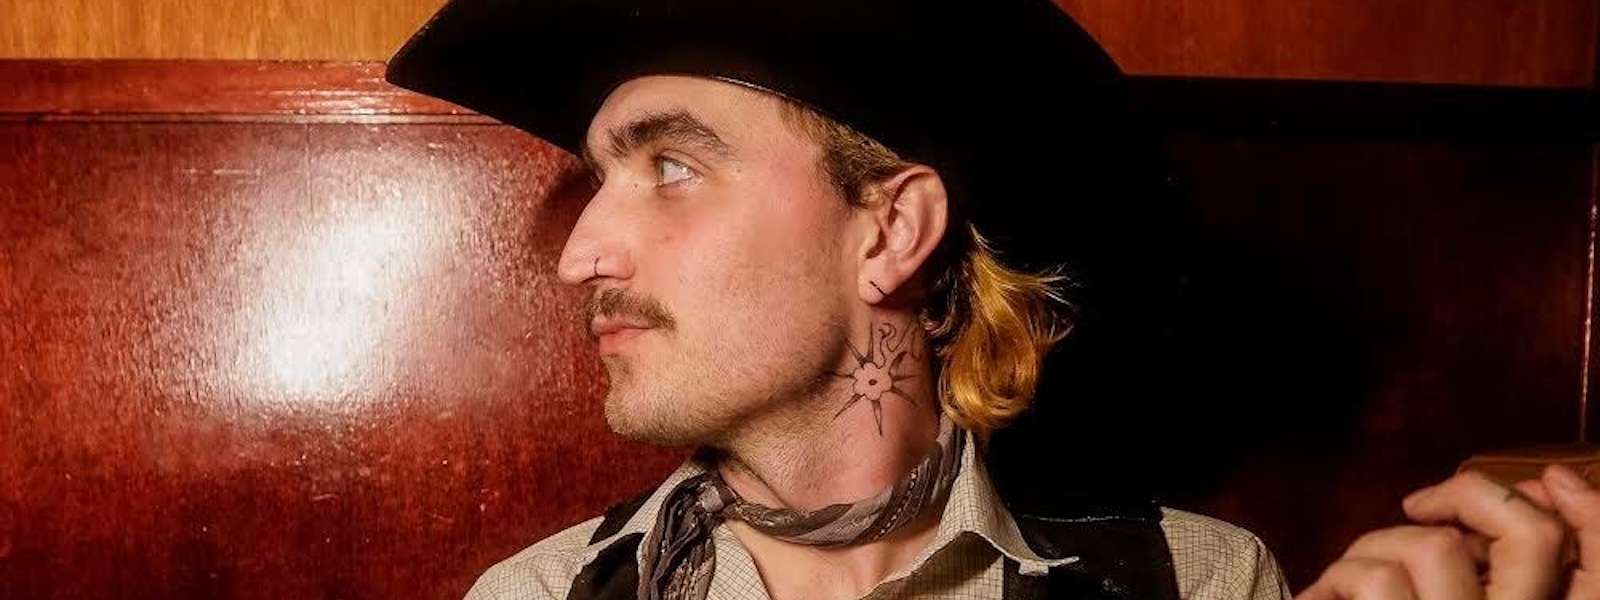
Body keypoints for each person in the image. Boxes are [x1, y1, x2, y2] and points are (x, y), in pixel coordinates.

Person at [384, 1, 1600, 598]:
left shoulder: (1197, 584)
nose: (581, 254)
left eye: (671, 167)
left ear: (891, 229)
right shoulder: (541, 599)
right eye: (600, 179)